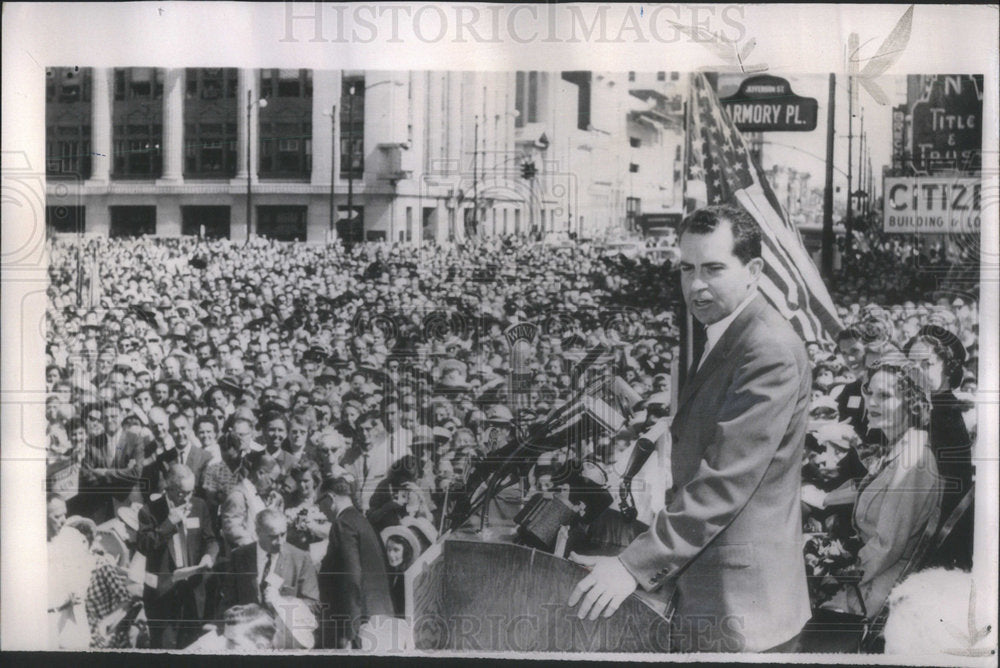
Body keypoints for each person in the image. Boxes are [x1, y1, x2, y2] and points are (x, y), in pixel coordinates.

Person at [568, 205, 813, 653]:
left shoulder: (766, 350)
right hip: (710, 592)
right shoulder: (725, 331)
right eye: (687, 269)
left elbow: (725, 481)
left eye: (713, 269)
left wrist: (630, 566)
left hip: (742, 609)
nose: (696, 286)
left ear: (754, 270)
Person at [823, 359, 944, 620]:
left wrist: (833, 576)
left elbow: (886, 546)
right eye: (870, 393)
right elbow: (876, 486)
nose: (872, 403)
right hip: (874, 576)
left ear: (911, 403)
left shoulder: (913, 460)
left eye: (885, 396)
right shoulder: (902, 448)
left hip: (874, 592)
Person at [136, 463, 219, 649]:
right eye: (183, 493)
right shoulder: (149, 511)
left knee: (191, 646)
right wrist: (168, 523)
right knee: (164, 648)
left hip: (192, 591)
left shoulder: (199, 505)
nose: (188, 497)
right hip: (163, 593)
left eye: (192, 491)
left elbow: (211, 539)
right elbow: (144, 547)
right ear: (169, 488)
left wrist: (209, 556)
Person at [316, 472, 394, 649]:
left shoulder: (342, 524)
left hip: (361, 625)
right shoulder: (360, 520)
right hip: (377, 615)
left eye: (319, 502)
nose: (320, 509)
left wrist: (349, 631)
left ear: (329, 498)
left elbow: (351, 577)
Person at [219, 509, 319, 616]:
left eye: (283, 534)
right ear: (258, 532)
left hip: (284, 628)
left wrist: (281, 602)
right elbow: (228, 601)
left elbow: (313, 605)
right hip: (249, 628)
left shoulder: (301, 559)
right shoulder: (239, 556)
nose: (280, 542)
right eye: (273, 537)